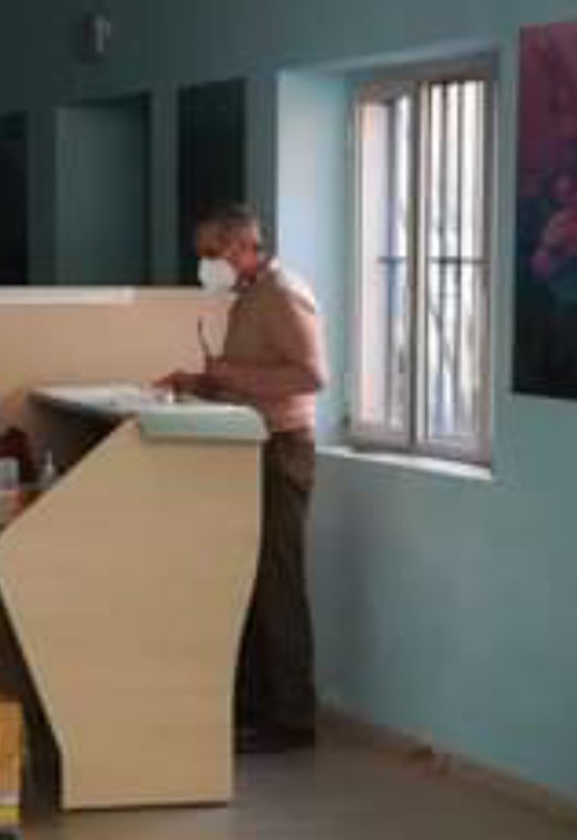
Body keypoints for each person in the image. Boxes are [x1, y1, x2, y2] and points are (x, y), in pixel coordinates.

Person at [159, 205, 329, 754]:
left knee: (278, 581)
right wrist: (197, 382)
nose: (206, 265)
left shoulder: (283, 293)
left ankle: (292, 717)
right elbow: (247, 378)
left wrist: (228, 373)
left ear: (241, 247)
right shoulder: (248, 296)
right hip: (249, 442)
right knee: (247, 579)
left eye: (211, 254)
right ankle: (253, 706)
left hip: (282, 448)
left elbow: (311, 376)